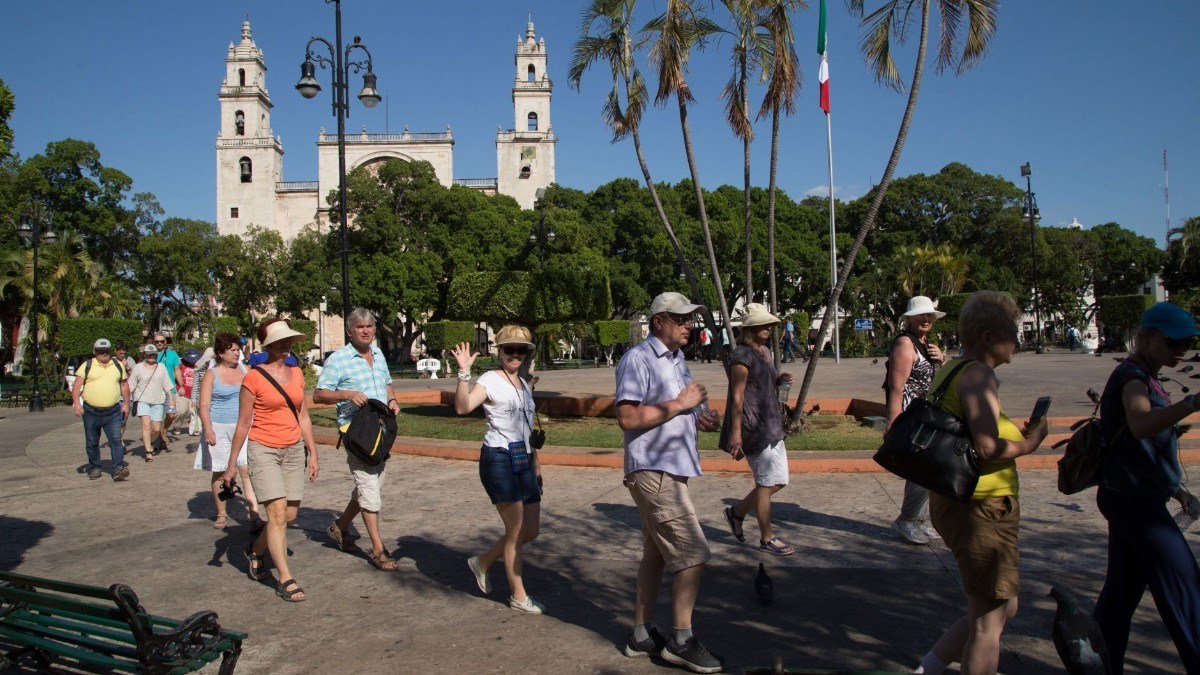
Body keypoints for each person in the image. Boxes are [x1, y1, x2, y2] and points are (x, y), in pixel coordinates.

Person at [915, 291, 1048, 675]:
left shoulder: (955, 369)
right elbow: (988, 448)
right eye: (1013, 333)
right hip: (981, 508)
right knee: (987, 623)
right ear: (989, 337)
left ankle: (930, 668)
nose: (1018, 342)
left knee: (1002, 607)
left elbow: (973, 432)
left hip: (959, 500)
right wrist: (1030, 442)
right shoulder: (978, 374)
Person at [615, 292, 722, 673]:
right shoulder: (638, 359)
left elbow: (676, 409)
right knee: (693, 553)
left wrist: (697, 417)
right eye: (681, 319)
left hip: (671, 469)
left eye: (691, 318)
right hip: (653, 471)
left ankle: (641, 635)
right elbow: (627, 418)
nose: (689, 324)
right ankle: (681, 640)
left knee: (657, 554)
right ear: (657, 321)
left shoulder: (678, 360)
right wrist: (681, 404)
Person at [1093, 302, 1200, 673]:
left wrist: (1178, 492)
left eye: (1186, 342)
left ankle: (1098, 664)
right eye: (1173, 343)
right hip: (1135, 503)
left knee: (1121, 593)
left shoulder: (1145, 374)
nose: (1181, 349)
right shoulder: (1133, 378)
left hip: (1129, 494)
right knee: (1185, 586)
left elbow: (1142, 451)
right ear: (1148, 337)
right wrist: (1191, 403)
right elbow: (1139, 425)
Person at [223, 318, 319, 603]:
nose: (287, 345)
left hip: (292, 450)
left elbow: (302, 415)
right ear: (269, 345)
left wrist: (312, 452)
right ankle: (285, 578)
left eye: (289, 340)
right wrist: (231, 465)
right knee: (276, 514)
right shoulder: (253, 377)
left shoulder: (297, 373)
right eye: (280, 341)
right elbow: (243, 423)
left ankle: (255, 549)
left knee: (289, 516)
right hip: (263, 449)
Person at [451, 325, 545, 613]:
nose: (514, 354)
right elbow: (463, 407)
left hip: (524, 459)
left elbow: (527, 429)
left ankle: (483, 561)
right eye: (508, 349)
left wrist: (536, 464)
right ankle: (518, 595)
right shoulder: (490, 379)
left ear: (527, 353)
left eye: (520, 350)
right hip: (499, 459)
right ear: (499, 352)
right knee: (516, 529)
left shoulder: (525, 384)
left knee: (531, 530)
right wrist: (463, 373)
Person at [314, 308, 402, 572]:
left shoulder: (377, 353)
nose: (366, 330)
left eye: (370, 326)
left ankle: (340, 527)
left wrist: (393, 399)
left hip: (380, 430)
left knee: (369, 485)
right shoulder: (339, 360)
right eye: (360, 326)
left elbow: (386, 382)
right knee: (370, 490)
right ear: (350, 331)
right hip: (356, 433)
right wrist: (346, 394)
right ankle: (378, 549)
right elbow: (319, 395)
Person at [719, 304, 795, 556]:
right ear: (749, 329)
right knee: (765, 482)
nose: (768, 329)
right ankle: (767, 537)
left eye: (769, 325)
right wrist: (736, 432)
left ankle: (737, 512)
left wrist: (779, 378)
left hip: (772, 424)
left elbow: (763, 383)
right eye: (762, 325)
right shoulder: (741, 355)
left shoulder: (764, 352)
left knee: (779, 480)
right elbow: (737, 396)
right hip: (753, 427)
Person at [884, 296, 948, 545]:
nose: (926, 319)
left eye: (929, 316)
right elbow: (896, 387)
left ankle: (919, 519)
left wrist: (941, 359)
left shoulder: (926, 344)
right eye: (921, 315)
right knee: (920, 468)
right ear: (909, 319)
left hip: (927, 415)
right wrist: (893, 422)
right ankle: (907, 518)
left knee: (927, 468)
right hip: (911, 415)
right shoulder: (904, 344)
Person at [195, 333, 262, 530]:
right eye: (232, 350)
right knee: (221, 470)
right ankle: (222, 512)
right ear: (220, 353)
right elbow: (204, 404)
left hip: (243, 426)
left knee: (245, 469)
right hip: (218, 426)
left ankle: (254, 514)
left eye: (237, 349)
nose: (237, 353)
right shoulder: (211, 374)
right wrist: (208, 429)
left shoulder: (245, 370)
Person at [71, 338, 131, 480]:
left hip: (113, 411)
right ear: (94, 351)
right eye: (100, 351)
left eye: (106, 351)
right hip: (91, 411)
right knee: (92, 441)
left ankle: (118, 468)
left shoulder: (117, 365)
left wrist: (126, 404)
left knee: (116, 440)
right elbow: (77, 386)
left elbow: (124, 385)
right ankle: (95, 467)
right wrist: (76, 403)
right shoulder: (87, 365)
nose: (104, 354)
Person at [128, 344, 176, 462]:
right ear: (144, 355)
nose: (151, 357)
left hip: (158, 401)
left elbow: (167, 384)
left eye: (153, 354)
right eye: (149, 354)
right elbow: (131, 385)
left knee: (156, 428)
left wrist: (170, 399)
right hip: (142, 400)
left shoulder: (161, 367)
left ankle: (151, 441)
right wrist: (126, 400)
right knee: (146, 426)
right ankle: (148, 452)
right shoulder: (138, 367)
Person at [151, 333, 183, 453]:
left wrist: (181, 385)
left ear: (165, 342)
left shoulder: (172, 354)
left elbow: (177, 370)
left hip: (170, 390)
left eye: (162, 341)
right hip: (155, 391)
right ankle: (156, 440)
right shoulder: (150, 355)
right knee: (156, 418)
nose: (159, 344)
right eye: (157, 342)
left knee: (171, 415)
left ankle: (164, 430)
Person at [174, 348, 201, 437]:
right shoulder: (181, 364)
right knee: (181, 411)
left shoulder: (200, 365)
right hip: (183, 391)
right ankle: (176, 426)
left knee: (195, 412)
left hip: (195, 392)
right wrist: (180, 385)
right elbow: (176, 374)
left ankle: (195, 429)